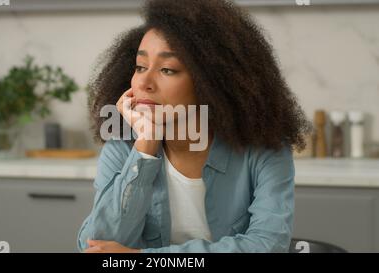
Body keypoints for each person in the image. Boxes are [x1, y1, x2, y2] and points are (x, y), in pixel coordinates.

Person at [77, 0, 311, 253]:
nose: (144, 82)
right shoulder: (124, 147)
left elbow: (268, 245)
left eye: (167, 69)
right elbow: (94, 246)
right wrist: (145, 147)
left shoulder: (265, 149)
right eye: (140, 66)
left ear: (211, 82)